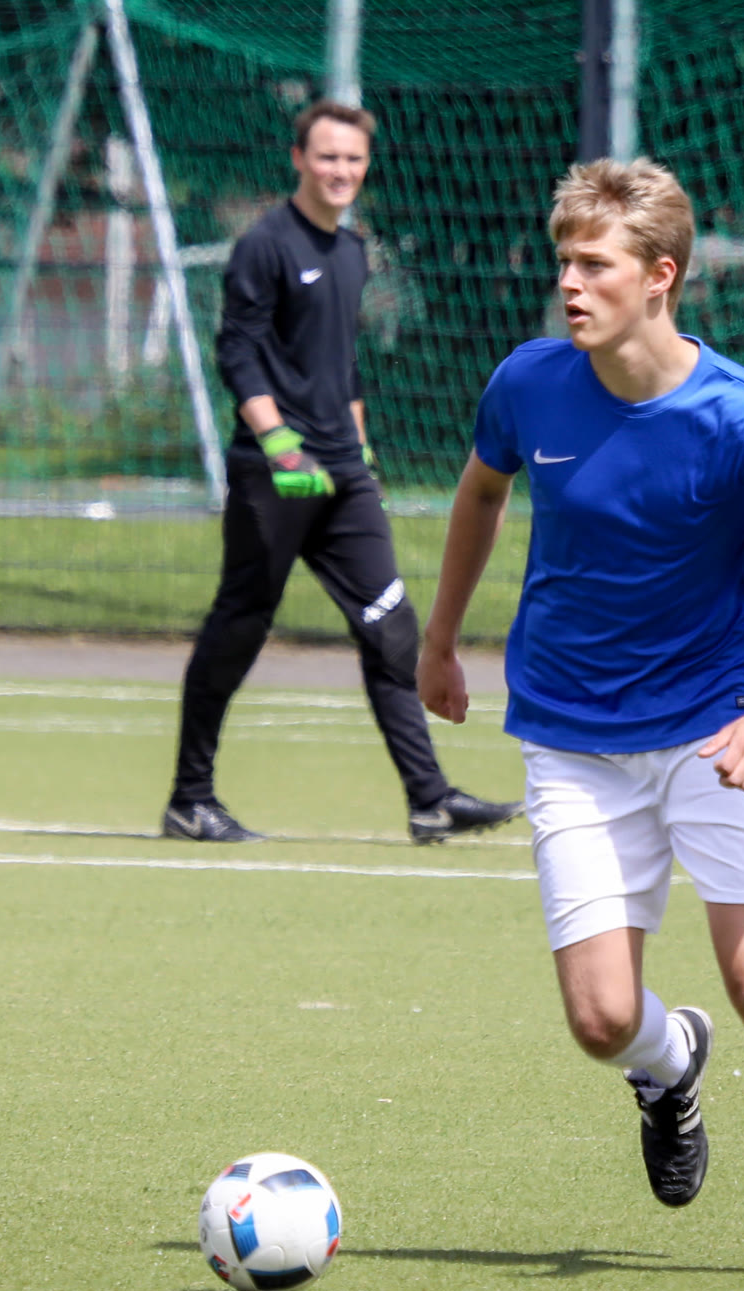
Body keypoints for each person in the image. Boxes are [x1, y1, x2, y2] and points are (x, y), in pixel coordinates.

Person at [415, 158, 744, 1277]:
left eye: (595, 265)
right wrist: (438, 639)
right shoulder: (529, 384)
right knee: (598, 1021)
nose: (569, 284)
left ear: (659, 276)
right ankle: (669, 1064)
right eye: (564, 262)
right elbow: (481, 490)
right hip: (570, 733)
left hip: (716, 728)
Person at [164, 99, 521, 847]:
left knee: (391, 625)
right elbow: (238, 352)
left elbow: (342, 364)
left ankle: (430, 800)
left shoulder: (353, 250)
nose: (341, 171)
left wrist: (359, 453)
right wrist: (280, 445)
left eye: (353, 159)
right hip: (274, 473)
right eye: (327, 156)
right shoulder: (264, 244)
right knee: (241, 625)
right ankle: (190, 800)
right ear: (299, 158)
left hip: (344, 476)